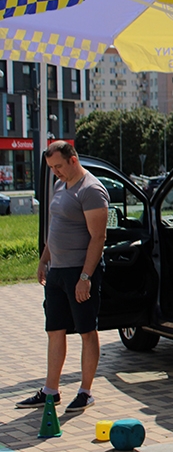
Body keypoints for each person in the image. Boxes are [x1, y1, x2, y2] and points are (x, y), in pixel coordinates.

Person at [17, 141, 108, 413]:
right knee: (54, 330)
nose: (55, 171)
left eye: (58, 166)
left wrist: (85, 276)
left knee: (86, 330)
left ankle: (85, 391)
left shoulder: (91, 190)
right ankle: (51, 390)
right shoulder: (60, 186)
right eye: (51, 167)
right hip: (57, 271)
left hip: (79, 272)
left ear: (73, 159)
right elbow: (54, 227)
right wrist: (45, 260)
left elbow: (98, 237)